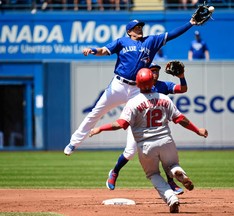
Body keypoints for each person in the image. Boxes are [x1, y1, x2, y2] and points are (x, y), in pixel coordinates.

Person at [64, 18, 199, 156]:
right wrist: (92, 50)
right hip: (119, 85)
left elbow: (171, 35)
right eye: (136, 27)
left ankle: (129, 151)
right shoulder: (122, 41)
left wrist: (190, 23)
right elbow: (103, 50)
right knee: (96, 112)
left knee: (137, 118)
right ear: (129, 31)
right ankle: (74, 142)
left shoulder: (151, 41)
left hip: (137, 88)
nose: (139, 29)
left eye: (140, 26)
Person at [89, 68, 208, 213]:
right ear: (153, 82)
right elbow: (180, 119)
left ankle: (171, 198)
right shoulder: (164, 98)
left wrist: (100, 128)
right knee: (171, 164)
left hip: (146, 146)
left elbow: (121, 124)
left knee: (153, 174)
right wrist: (198, 130)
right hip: (166, 141)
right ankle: (177, 171)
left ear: (137, 84)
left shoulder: (133, 102)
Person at [106, 62, 188, 195]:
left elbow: (183, 89)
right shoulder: (137, 85)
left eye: (156, 71)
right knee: (130, 152)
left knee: (164, 153)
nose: (155, 73)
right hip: (138, 126)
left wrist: (181, 76)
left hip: (157, 127)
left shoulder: (163, 85)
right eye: (152, 70)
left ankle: (171, 182)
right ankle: (114, 172)